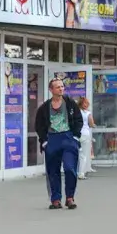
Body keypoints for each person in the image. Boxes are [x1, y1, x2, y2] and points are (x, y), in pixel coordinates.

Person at [35, 77, 84, 210]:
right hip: (52, 139)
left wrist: (75, 137)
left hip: (68, 138)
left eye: (62, 86)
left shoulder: (70, 103)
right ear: (51, 90)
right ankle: (55, 199)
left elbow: (79, 120)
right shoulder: (45, 107)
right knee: (53, 171)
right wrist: (44, 141)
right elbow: (38, 125)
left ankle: (70, 198)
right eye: (58, 87)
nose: (61, 89)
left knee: (70, 168)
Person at [77, 96, 96, 178]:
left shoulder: (76, 112)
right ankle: (81, 173)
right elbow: (91, 124)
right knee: (83, 155)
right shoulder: (88, 113)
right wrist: (93, 125)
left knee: (75, 153)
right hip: (85, 134)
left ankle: (73, 171)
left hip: (76, 134)